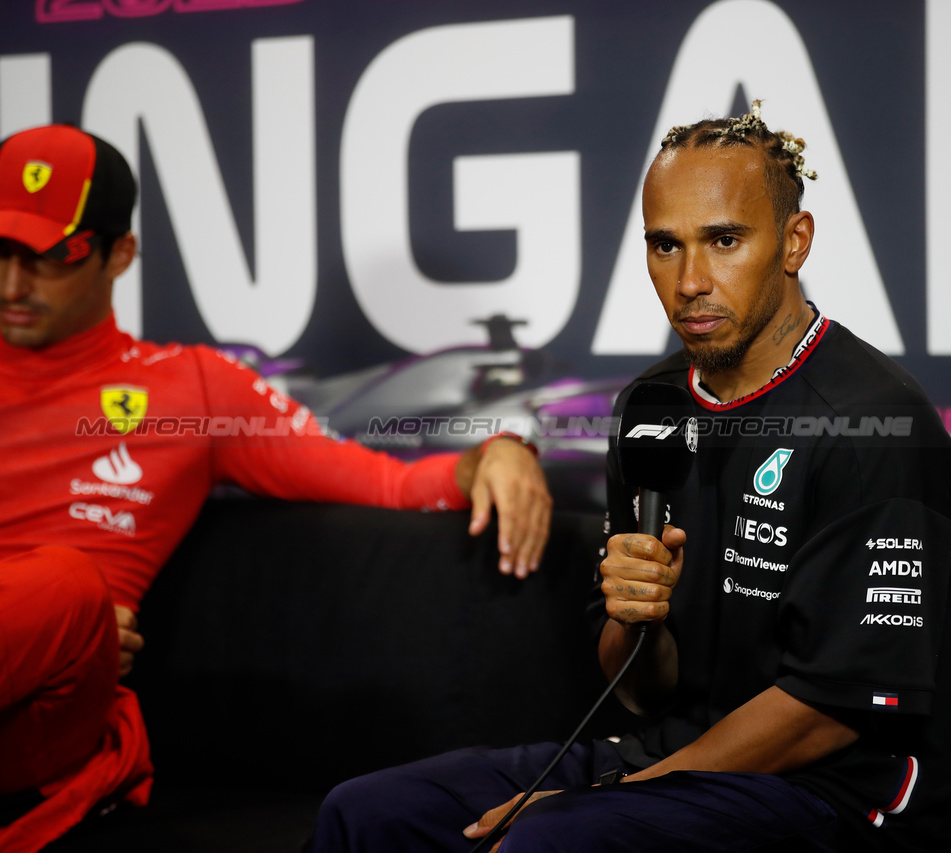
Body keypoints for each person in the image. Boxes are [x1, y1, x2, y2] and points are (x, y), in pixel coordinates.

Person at [312, 101, 951, 852]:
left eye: (724, 240)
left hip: (833, 798)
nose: (690, 280)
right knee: (365, 814)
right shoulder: (651, 407)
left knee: (546, 841)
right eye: (665, 245)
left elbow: (831, 709)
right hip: (668, 758)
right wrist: (635, 618)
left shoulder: (878, 421)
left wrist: (614, 797)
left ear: (794, 242)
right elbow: (639, 690)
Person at [0, 124, 552, 853]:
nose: (14, 284)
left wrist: (500, 450)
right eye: (2, 251)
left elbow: (382, 480)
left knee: (68, 587)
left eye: (50, 258)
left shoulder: (191, 388)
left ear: (119, 254)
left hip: (42, 727)